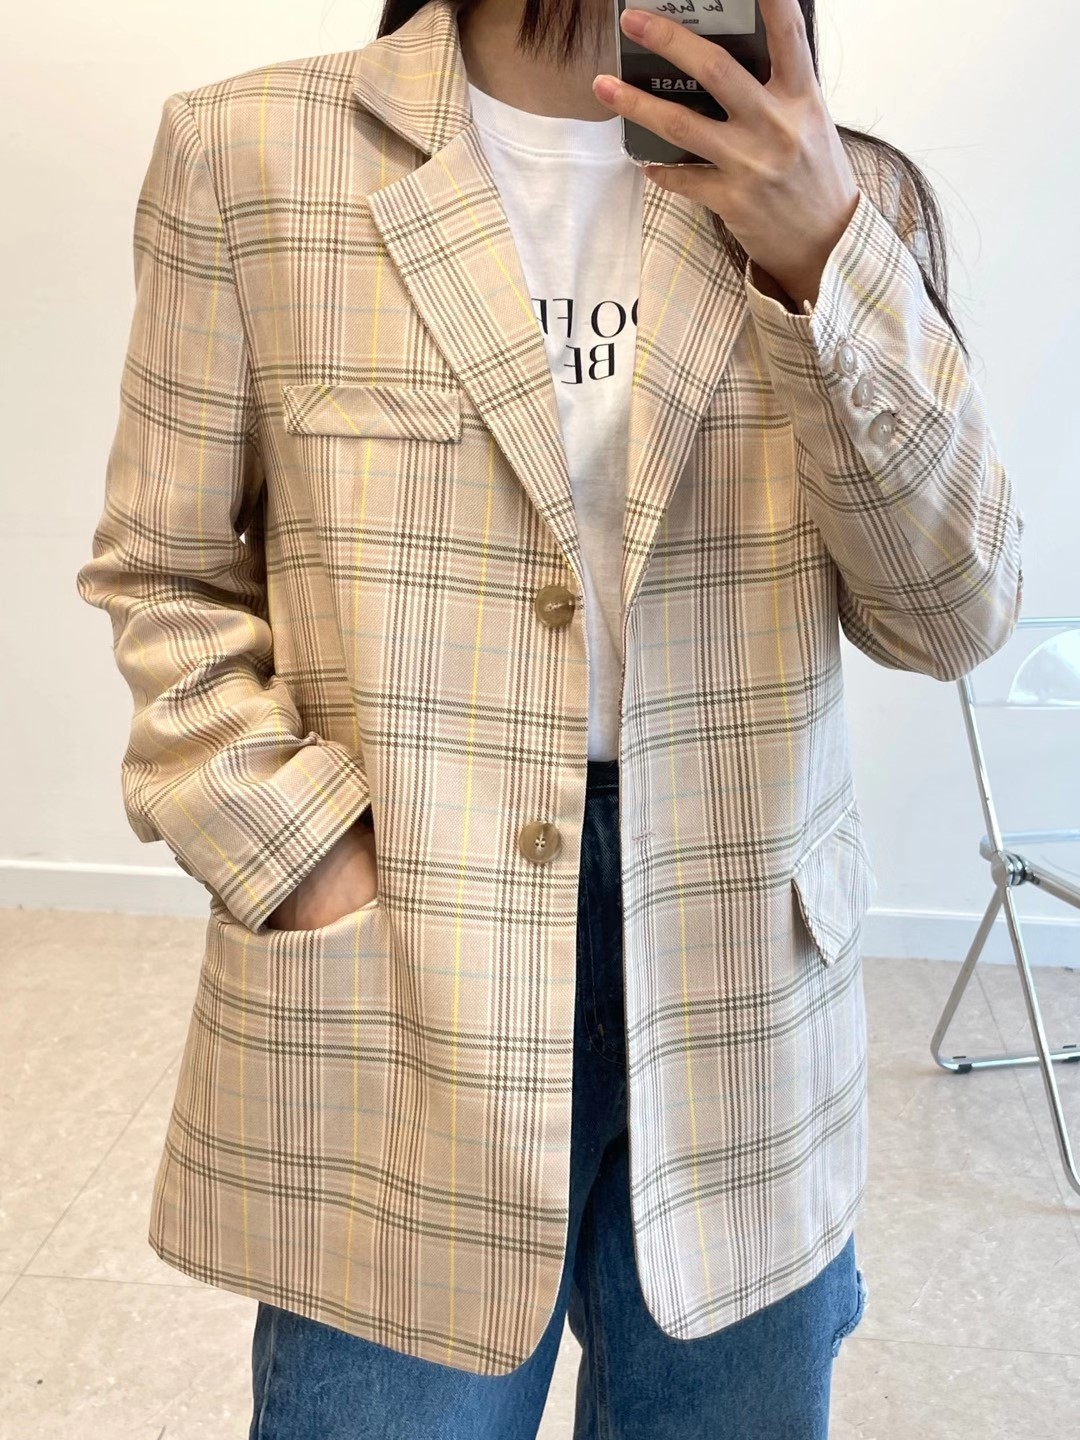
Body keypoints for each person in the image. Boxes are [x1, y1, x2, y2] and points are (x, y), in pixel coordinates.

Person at [75, 0, 1024, 1434]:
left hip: (745, 978)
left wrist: (826, 260)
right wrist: (305, 860)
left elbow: (948, 616)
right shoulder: (253, 150)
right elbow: (167, 575)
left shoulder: (841, 195)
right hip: (404, 951)